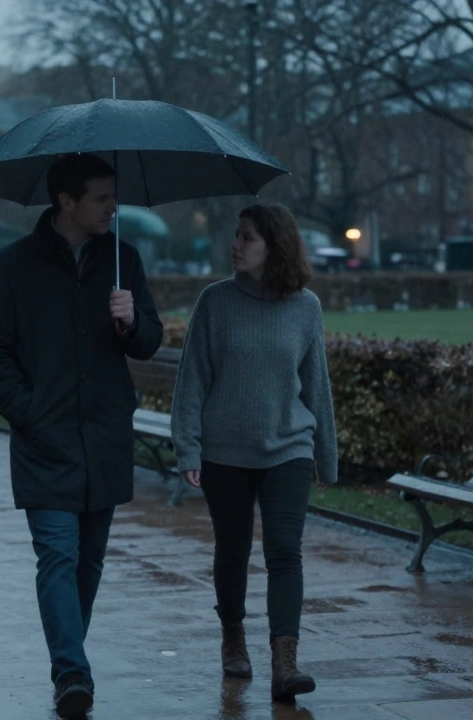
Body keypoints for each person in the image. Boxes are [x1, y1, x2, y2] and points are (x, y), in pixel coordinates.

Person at [0, 153, 163, 719]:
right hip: (45, 441)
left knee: (88, 564)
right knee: (57, 555)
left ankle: (68, 658)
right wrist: (27, 412)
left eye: (114, 196)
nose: (113, 207)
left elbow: (149, 341)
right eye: (102, 198)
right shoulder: (13, 265)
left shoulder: (123, 259)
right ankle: (72, 673)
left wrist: (132, 322)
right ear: (66, 201)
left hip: (104, 439)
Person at [170, 204, 337, 702]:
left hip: (288, 447)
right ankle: (233, 637)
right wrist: (188, 448)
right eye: (236, 235)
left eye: (247, 237)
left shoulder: (306, 307)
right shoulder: (215, 302)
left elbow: (316, 385)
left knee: (285, 551)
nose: (235, 245)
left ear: (274, 247)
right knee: (233, 549)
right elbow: (192, 381)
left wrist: (326, 455)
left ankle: (285, 664)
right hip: (225, 452)